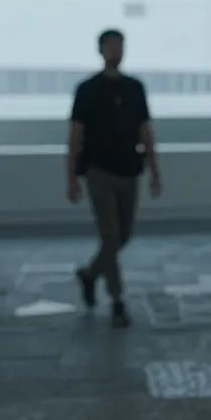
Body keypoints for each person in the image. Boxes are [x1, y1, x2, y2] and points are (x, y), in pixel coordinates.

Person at [67, 29, 163, 326]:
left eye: (120, 46)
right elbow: (75, 136)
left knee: (123, 235)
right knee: (110, 235)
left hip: (129, 170)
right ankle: (118, 300)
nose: (116, 51)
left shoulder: (135, 88)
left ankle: (89, 273)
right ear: (101, 50)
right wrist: (71, 177)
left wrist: (154, 171)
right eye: (110, 46)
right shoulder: (87, 90)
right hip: (98, 171)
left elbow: (145, 130)